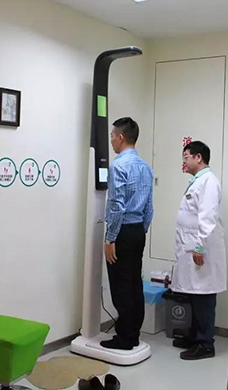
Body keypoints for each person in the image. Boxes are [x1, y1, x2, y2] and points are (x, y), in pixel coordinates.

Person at [170, 141, 227, 361]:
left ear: (198, 157)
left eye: (186, 157)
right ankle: (194, 337)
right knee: (194, 296)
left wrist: (200, 246)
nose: (184, 162)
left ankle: (205, 343)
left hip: (201, 249)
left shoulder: (209, 182)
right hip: (191, 248)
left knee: (204, 297)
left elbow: (208, 217)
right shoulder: (198, 182)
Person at [102, 117, 154, 350]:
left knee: (121, 285)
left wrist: (110, 238)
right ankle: (133, 334)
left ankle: (124, 337)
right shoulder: (145, 167)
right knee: (134, 283)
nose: (111, 140)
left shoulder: (118, 166)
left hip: (121, 232)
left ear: (121, 137)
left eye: (112, 136)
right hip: (138, 231)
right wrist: (140, 230)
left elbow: (116, 205)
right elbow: (149, 207)